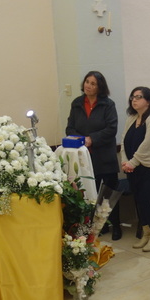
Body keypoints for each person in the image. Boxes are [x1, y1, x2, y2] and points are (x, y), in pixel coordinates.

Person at [66, 71, 122, 240]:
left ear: (100, 87)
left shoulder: (108, 104)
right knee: (92, 193)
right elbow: (70, 128)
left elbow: (111, 129)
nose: (88, 86)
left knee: (109, 193)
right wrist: (83, 140)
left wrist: (93, 139)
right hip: (85, 157)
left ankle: (116, 225)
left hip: (105, 156)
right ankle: (99, 226)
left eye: (93, 83)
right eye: (87, 82)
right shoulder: (77, 103)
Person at [121, 86, 150, 252]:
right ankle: (146, 234)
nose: (134, 100)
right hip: (134, 168)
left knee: (148, 202)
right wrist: (125, 161)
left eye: (138, 97)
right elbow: (124, 141)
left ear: (148, 101)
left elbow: (147, 145)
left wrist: (132, 162)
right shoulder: (132, 118)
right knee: (139, 202)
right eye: (132, 97)